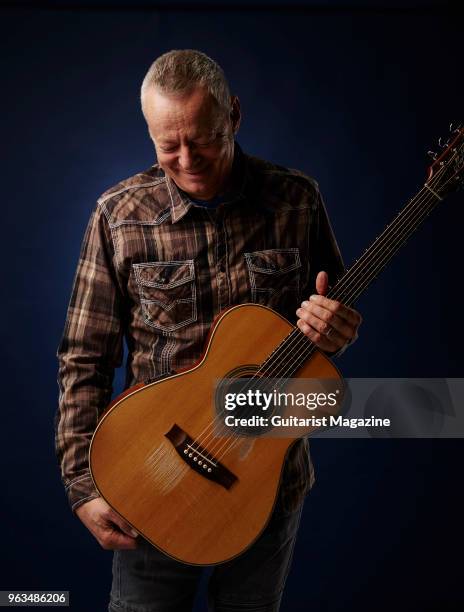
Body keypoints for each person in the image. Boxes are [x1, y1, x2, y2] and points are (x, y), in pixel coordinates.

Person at [55, 49, 362, 612]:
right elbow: (84, 358)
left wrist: (336, 328)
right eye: (166, 144)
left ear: (235, 115)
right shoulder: (118, 216)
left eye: (202, 138)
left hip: (267, 483)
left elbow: (325, 327)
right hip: (152, 476)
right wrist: (82, 484)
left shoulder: (296, 199)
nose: (186, 158)